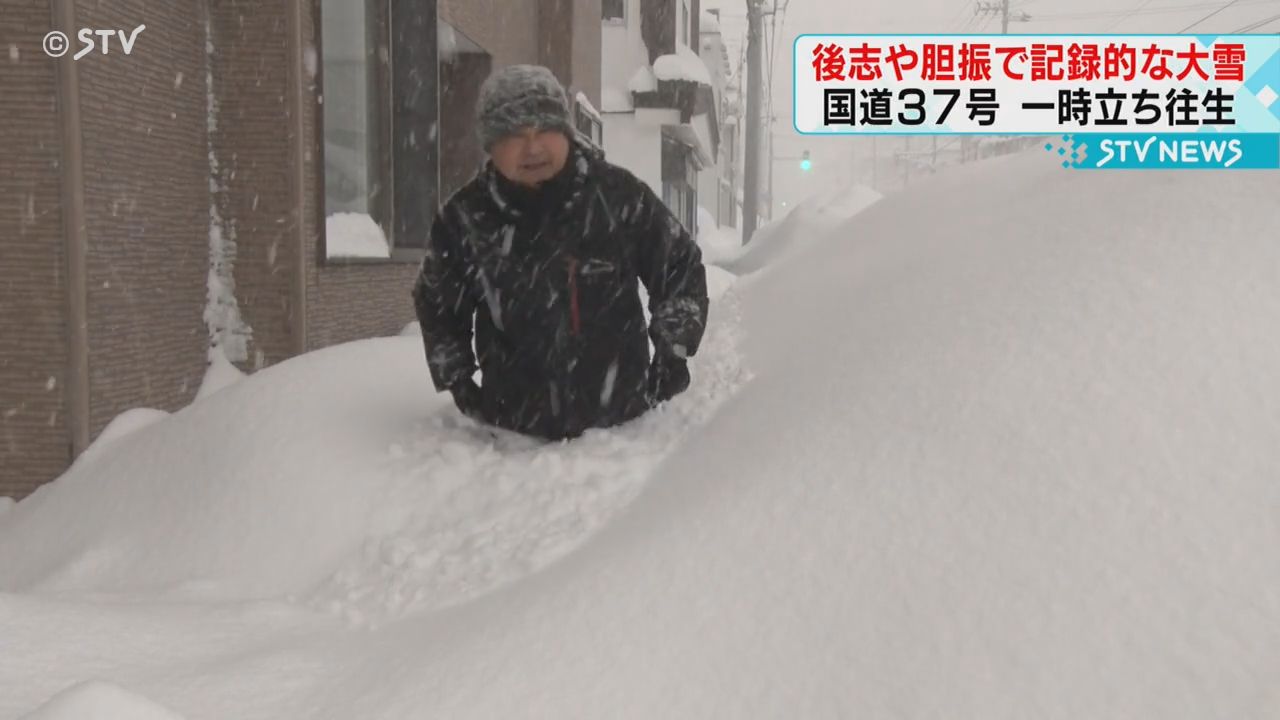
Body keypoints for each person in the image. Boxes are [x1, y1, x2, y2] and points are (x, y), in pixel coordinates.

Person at [412, 64, 709, 441]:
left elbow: (679, 266)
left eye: (544, 130)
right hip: (512, 441)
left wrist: (673, 350)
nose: (532, 147)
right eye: (514, 135)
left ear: (566, 133)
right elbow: (437, 302)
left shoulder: (616, 197)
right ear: (490, 145)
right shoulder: (467, 219)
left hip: (623, 438)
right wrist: (457, 381)